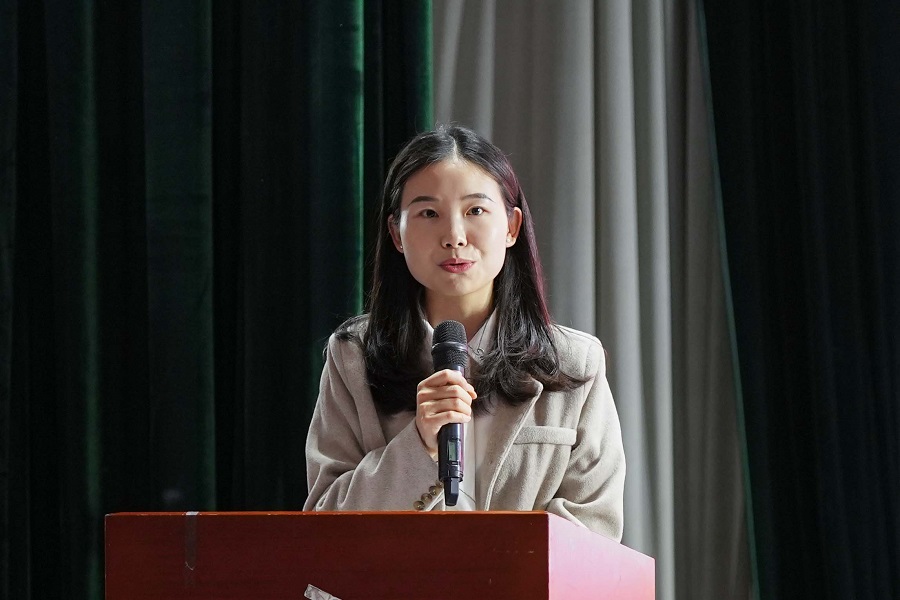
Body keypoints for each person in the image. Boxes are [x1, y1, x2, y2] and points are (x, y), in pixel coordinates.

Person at [304, 125, 625, 540]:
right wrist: (418, 446)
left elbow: (593, 531)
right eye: (428, 213)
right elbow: (325, 527)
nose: (454, 237)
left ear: (511, 227)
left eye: (475, 211)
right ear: (396, 234)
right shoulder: (353, 357)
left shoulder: (574, 363)